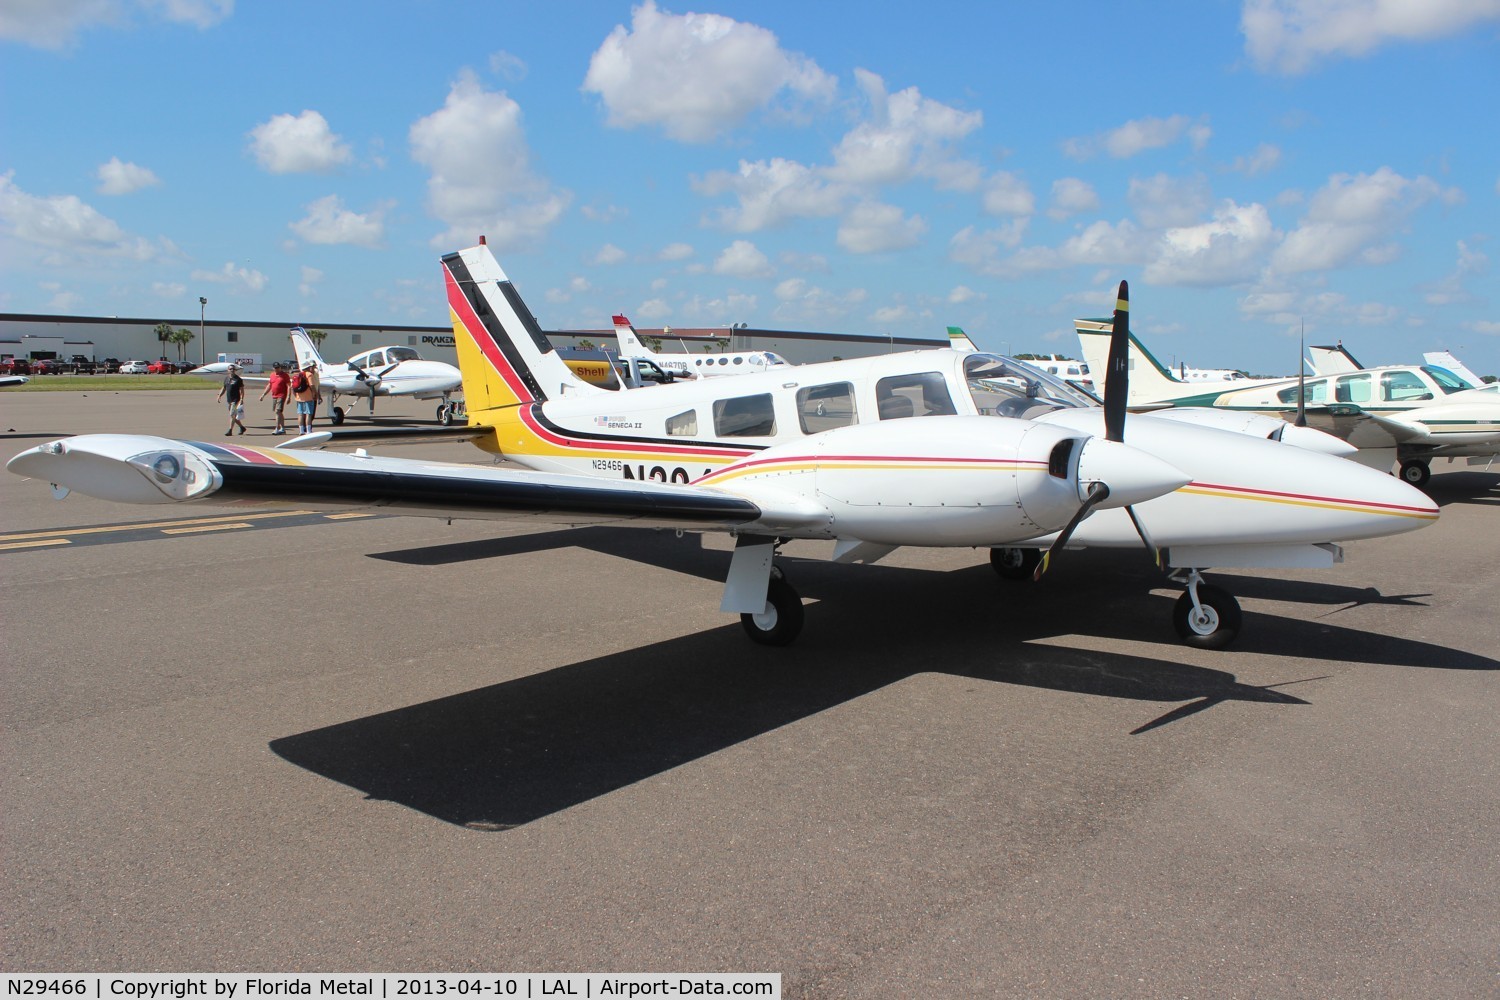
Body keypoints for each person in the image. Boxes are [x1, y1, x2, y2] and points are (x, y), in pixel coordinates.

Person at [216, 363, 247, 435]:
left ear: (235, 370)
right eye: (230, 369)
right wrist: (219, 395)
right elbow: (224, 388)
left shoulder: (238, 379)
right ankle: (242, 427)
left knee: (232, 415)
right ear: (228, 370)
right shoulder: (226, 378)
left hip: (236, 400)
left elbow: (242, 390)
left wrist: (242, 399)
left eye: (233, 369)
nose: (232, 370)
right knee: (233, 415)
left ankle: (230, 430)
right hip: (229, 400)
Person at [260, 362, 290, 435]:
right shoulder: (272, 375)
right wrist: (263, 395)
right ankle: (283, 428)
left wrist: (289, 396)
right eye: (275, 368)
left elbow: (289, 386)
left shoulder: (285, 375)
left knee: (277, 411)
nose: (277, 369)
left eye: (278, 367)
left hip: (281, 395)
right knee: (279, 412)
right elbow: (269, 385)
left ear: (280, 367)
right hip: (274, 396)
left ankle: (277, 428)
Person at [291, 363, 318, 435]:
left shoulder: (297, 375)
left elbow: (292, 387)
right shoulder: (309, 374)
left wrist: (296, 396)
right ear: (308, 367)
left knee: (300, 414)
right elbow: (312, 385)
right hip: (308, 397)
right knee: (309, 414)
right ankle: (308, 430)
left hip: (299, 398)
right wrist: (315, 393)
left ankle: (301, 431)